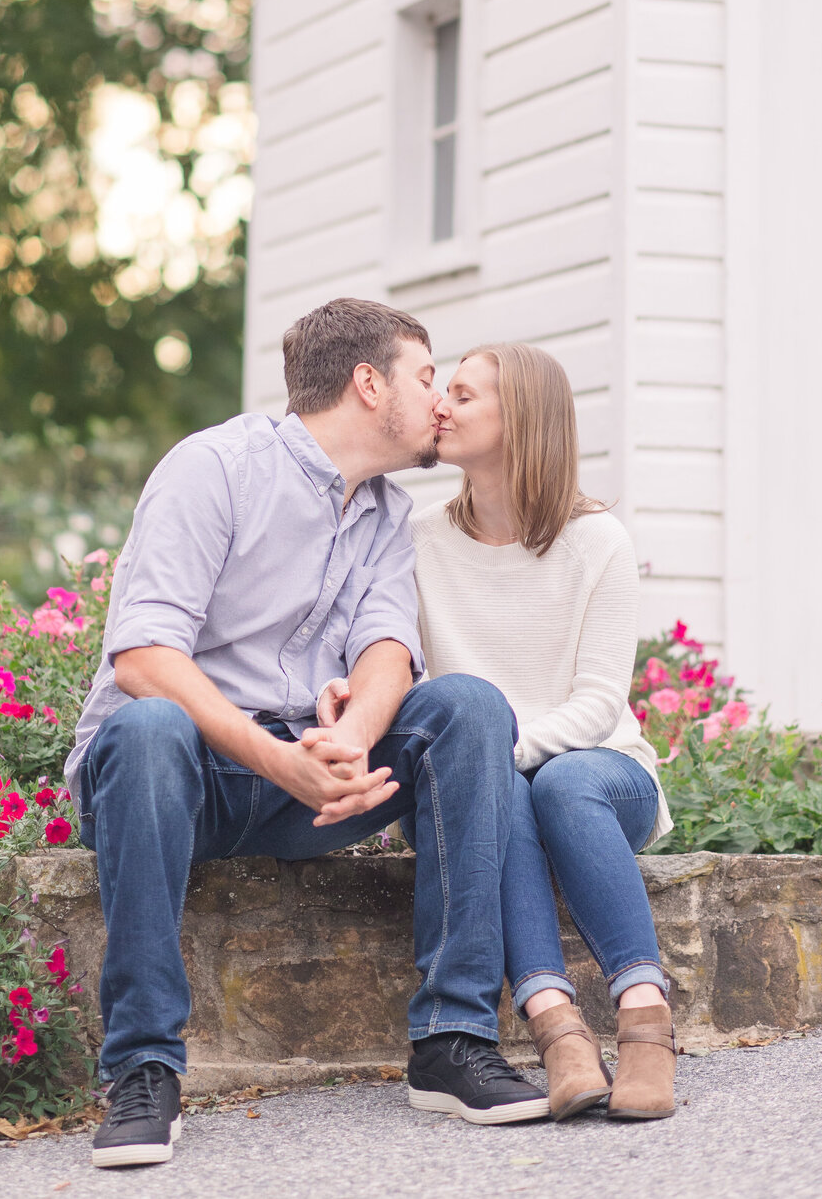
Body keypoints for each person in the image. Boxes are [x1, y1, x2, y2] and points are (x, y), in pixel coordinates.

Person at [65, 299, 550, 1171]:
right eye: (427, 376)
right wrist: (276, 759)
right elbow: (143, 656)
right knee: (145, 728)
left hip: (308, 780)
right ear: (370, 384)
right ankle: (143, 1070)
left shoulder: (385, 513)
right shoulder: (213, 468)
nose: (440, 401)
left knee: (471, 707)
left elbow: (388, 647)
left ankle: (452, 1041)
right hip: (182, 777)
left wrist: (352, 743)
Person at [412, 342, 677, 1123]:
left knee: (553, 780)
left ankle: (644, 1018)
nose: (440, 407)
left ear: (519, 418)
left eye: (462, 395)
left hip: (603, 774)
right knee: (509, 795)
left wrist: (501, 755)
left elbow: (599, 702)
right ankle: (558, 1029)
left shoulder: (597, 541)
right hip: (499, 785)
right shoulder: (422, 538)